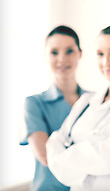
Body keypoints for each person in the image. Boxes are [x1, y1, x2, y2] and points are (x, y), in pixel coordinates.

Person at [46, 26, 110, 190]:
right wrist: (87, 159)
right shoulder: (86, 101)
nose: (106, 62)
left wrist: (66, 153)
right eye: (100, 54)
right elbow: (54, 142)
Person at [20, 25, 86, 191]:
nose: (62, 59)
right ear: (46, 56)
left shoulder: (95, 101)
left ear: (80, 53)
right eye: (54, 52)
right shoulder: (34, 104)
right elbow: (46, 156)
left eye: (69, 51)